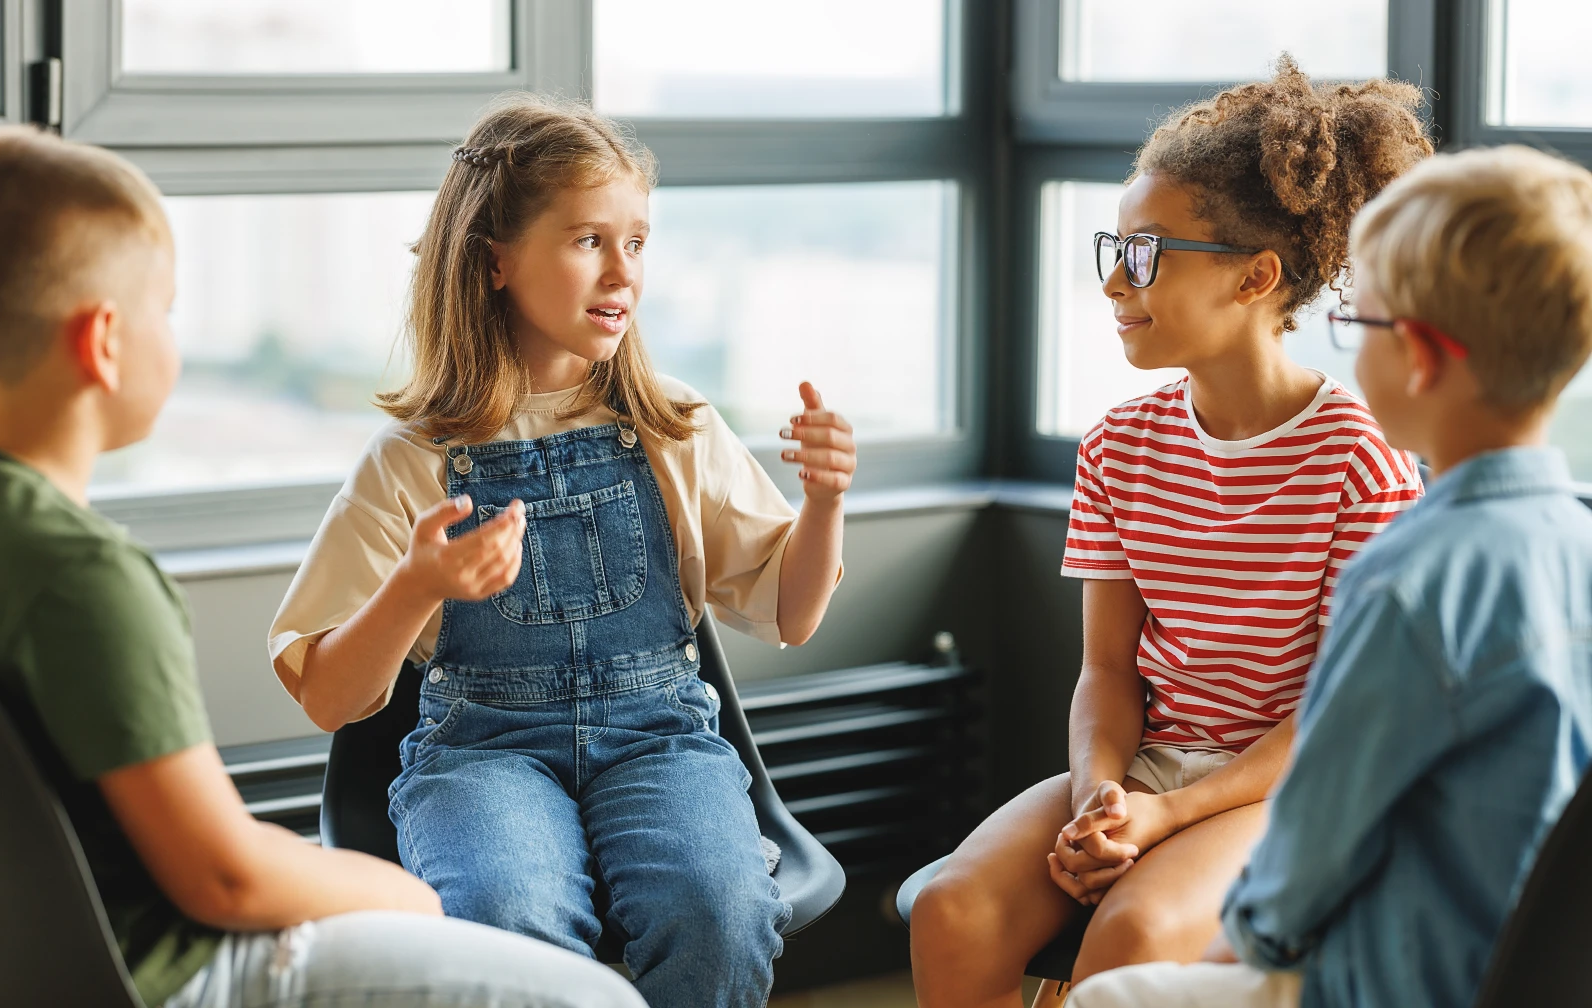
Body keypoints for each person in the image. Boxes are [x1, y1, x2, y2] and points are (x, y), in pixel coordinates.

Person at [0, 125, 646, 1008]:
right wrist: (407, 898)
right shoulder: (79, 580)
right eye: (167, 308)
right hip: (164, 970)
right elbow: (222, 880)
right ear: (103, 342)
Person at [267, 94, 853, 1008]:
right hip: (481, 754)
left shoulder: (673, 425)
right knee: (507, 916)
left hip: (659, 740)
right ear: (495, 261)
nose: (622, 271)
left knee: (722, 908)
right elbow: (331, 697)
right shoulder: (411, 460)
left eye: (638, 243)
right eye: (588, 240)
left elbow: (792, 611)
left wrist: (823, 504)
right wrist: (417, 584)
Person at [909, 58, 1433, 1006]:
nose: (1115, 280)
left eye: (1147, 253)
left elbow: (1335, 715)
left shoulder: (1361, 460)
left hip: (1290, 789)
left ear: (1256, 278)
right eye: (1114, 247)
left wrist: (1165, 816)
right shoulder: (1119, 444)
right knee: (951, 908)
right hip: (1146, 769)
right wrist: (1096, 802)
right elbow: (1108, 673)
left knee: (1135, 938)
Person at [1067, 143, 1592, 1008]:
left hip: (1400, 976)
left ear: (1418, 358)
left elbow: (1320, 831)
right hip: (1531, 967)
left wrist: (1239, 951)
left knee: (1112, 998)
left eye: (1361, 325)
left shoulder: (1410, 577)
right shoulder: (1574, 542)